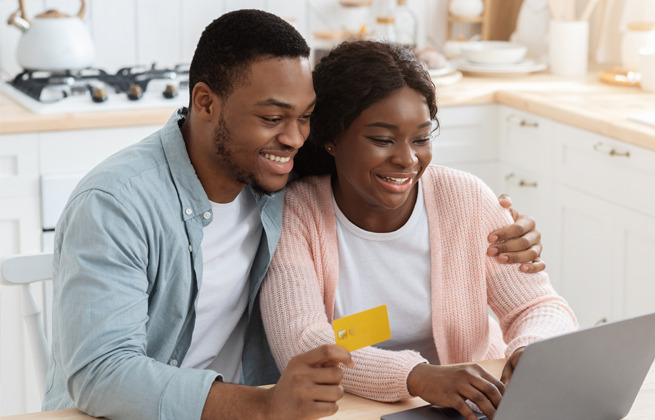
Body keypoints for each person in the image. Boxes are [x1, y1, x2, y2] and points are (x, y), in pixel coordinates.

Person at [43, 9, 544, 420]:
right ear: (205, 103)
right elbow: (101, 374)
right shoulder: (116, 204)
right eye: (271, 118)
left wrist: (497, 225)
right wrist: (263, 404)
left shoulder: (277, 187)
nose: (293, 138)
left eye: (303, 117)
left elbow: (380, 174)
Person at [259, 40, 578, 420]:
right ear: (331, 138)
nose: (408, 159)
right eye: (382, 139)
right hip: (352, 411)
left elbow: (538, 305)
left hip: (473, 409)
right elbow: (302, 341)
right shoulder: (296, 214)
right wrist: (418, 378)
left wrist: (530, 350)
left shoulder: (465, 198)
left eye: (422, 138)